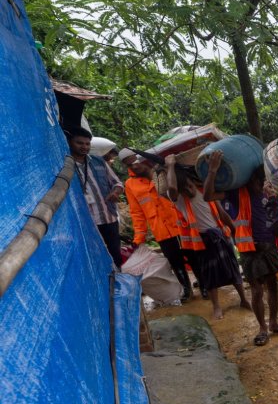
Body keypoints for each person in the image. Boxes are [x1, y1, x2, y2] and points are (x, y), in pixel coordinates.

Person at [206, 150, 278, 346]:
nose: (262, 184)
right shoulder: (235, 192)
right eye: (258, 181)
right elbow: (207, 195)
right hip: (250, 250)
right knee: (257, 290)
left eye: (264, 180)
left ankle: (273, 323)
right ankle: (263, 328)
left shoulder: (268, 192)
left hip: (270, 247)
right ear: (249, 180)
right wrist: (213, 171)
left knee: (273, 286)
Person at [162, 153, 251, 320]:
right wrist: (171, 165)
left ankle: (244, 299)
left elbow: (222, 213)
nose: (189, 189)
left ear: (192, 181)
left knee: (233, 269)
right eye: (185, 188)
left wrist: (233, 231)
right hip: (203, 241)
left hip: (220, 236)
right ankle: (216, 306)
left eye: (190, 185)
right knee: (209, 275)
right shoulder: (178, 199)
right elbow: (172, 188)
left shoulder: (204, 190)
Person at [121, 149, 194, 301]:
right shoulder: (130, 185)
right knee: (175, 261)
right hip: (161, 229)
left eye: (134, 162)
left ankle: (205, 284)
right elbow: (136, 212)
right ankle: (186, 288)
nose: (134, 167)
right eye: (129, 165)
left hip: (180, 223)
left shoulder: (161, 170)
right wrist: (139, 237)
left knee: (193, 255)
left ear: (140, 158)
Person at [66, 126, 124, 267]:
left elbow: (117, 183)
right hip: (86, 221)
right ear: (69, 143)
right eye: (80, 143)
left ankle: (119, 281)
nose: (84, 147)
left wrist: (115, 192)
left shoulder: (98, 161)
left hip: (108, 217)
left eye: (87, 143)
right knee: (94, 256)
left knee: (115, 253)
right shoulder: (65, 165)